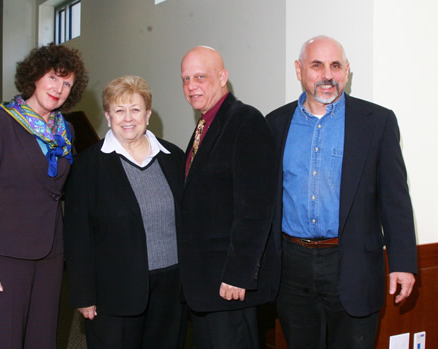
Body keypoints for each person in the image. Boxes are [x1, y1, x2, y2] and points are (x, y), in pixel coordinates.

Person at [265, 35, 417, 348]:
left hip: (353, 265)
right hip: (292, 269)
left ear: (346, 71)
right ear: (299, 70)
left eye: (335, 66)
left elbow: (395, 199)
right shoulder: (275, 124)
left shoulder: (377, 122)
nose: (327, 75)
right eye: (317, 65)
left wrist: (403, 262)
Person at [0, 43, 88, 348]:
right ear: (35, 76)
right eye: (54, 77)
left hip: (51, 253)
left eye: (67, 83)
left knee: (43, 340)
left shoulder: (66, 131)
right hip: (4, 256)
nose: (59, 88)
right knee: (4, 340)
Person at [63, 75, 187, 348]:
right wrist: (84, 295)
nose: (128, 118)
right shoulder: (87, 166)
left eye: (135, 109)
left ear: (148, 114)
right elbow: (77, 236)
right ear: (108, 116)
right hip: (114, 292)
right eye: (119, 110)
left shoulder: (174, 157)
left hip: (171, 290)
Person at [178, 46, 278, 348]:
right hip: (205, 282)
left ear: (222, 77)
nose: (191, 86)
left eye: (200, 76)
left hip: (229, 284)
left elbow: (256, 207)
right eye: (185, 79)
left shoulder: (245, 121)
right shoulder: (205, 124)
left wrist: (239, 274)